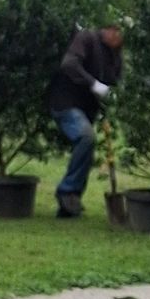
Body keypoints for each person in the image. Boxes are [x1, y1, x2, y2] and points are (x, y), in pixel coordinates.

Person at [48, 21, 124, 218]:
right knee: (86, 137)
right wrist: (93, 84)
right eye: (116, 32)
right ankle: (67, 191)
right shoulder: (87, 38)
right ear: (107, 29)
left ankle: (70, 204)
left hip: (87, 109)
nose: (119, 37)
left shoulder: (116, 55)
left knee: (87, 149)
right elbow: (69, 64)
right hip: (65, 103)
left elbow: (115, 80)